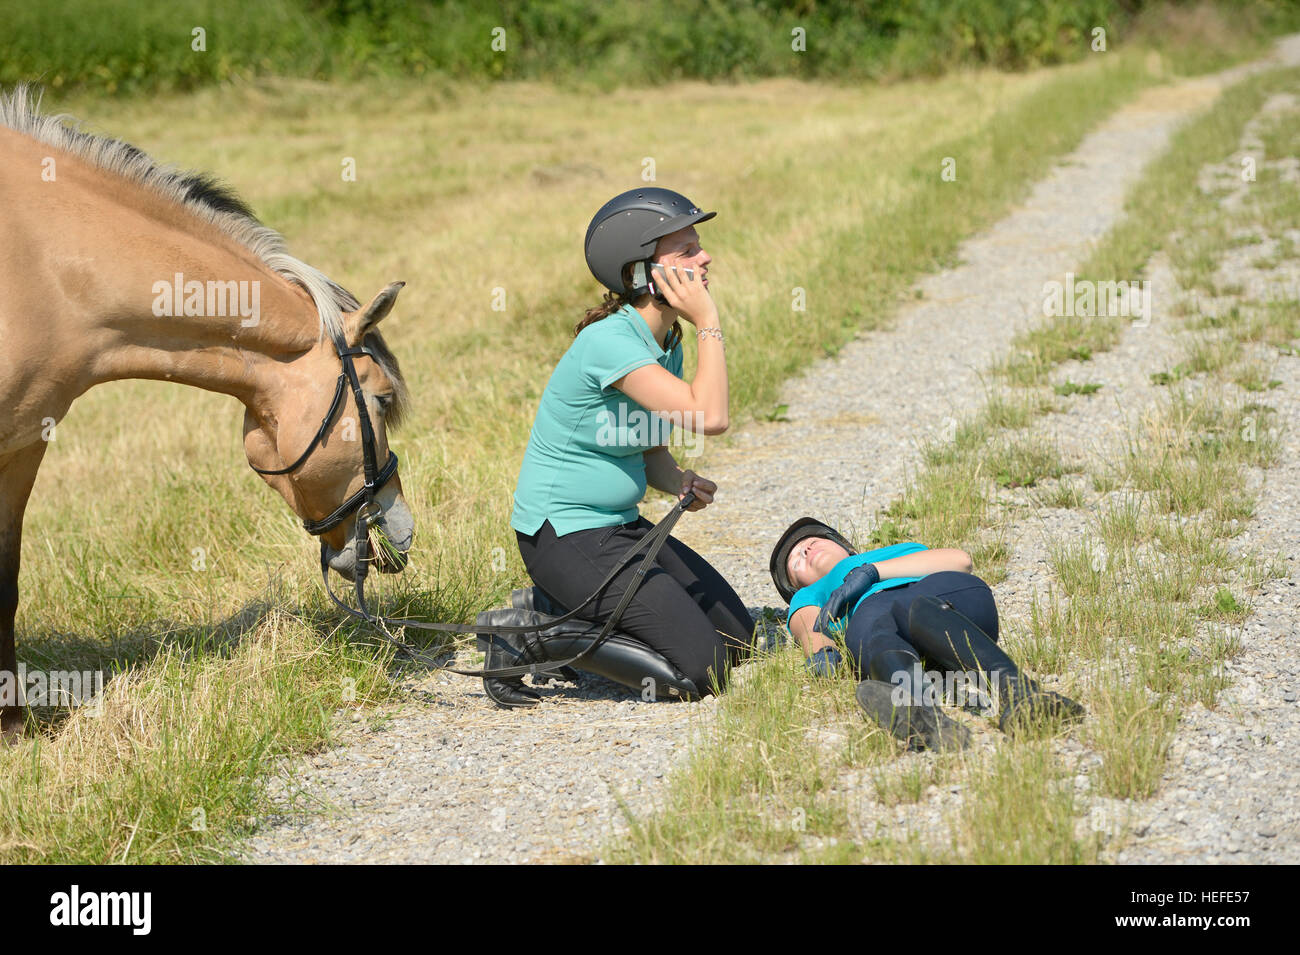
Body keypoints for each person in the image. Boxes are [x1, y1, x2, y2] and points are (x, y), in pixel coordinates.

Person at [491, 188, 754, 708]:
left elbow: (649, 446)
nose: (705, 258)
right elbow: (711, 418)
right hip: (564, 534)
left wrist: (676, 478)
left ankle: (561, 607)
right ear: (641, 273)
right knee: (700, 671)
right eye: (686, 251)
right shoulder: (610, 342)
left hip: (619, 527)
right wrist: (708, 321)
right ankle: (524, 636)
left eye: (699, 245)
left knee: (737, 639)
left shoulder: (666, 341)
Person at [769, 517, 1084, 750]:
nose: (805, 549)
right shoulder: (812, 594)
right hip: (877, 620)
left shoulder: (893, 552)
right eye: (795, 561)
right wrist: (822, 652)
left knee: (912, 606)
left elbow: (960, 561)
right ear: (797, 586)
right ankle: (922, 717)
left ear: (846, 545)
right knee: (872, 631)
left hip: (946, 598)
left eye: (813, 539)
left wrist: (871, 571)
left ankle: (1022, 694)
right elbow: (806, 623)